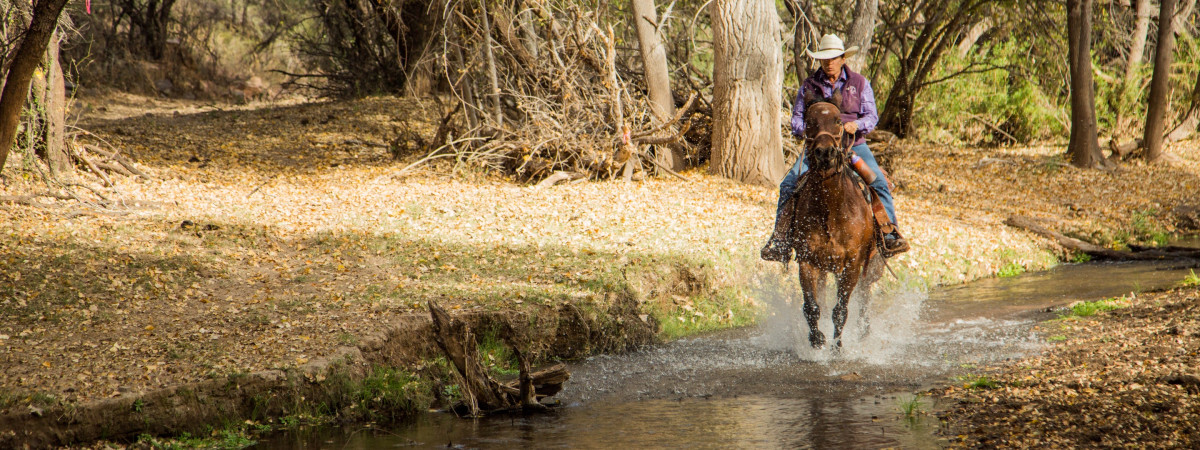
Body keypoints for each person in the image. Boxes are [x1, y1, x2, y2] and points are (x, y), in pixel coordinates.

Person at [763, 33, 909, 261]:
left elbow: (871, 117)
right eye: (824, 58)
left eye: (833, 58)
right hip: (817, 147)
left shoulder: (859, 83)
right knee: (789, 184)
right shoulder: (809, 85)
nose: (829, 62)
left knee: (878, 182)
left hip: (853, 145)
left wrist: (855, 125)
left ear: (842, 58)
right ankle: (780, 240)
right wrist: (810, 131)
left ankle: (889, 235)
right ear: (820, 60)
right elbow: (797, 118)